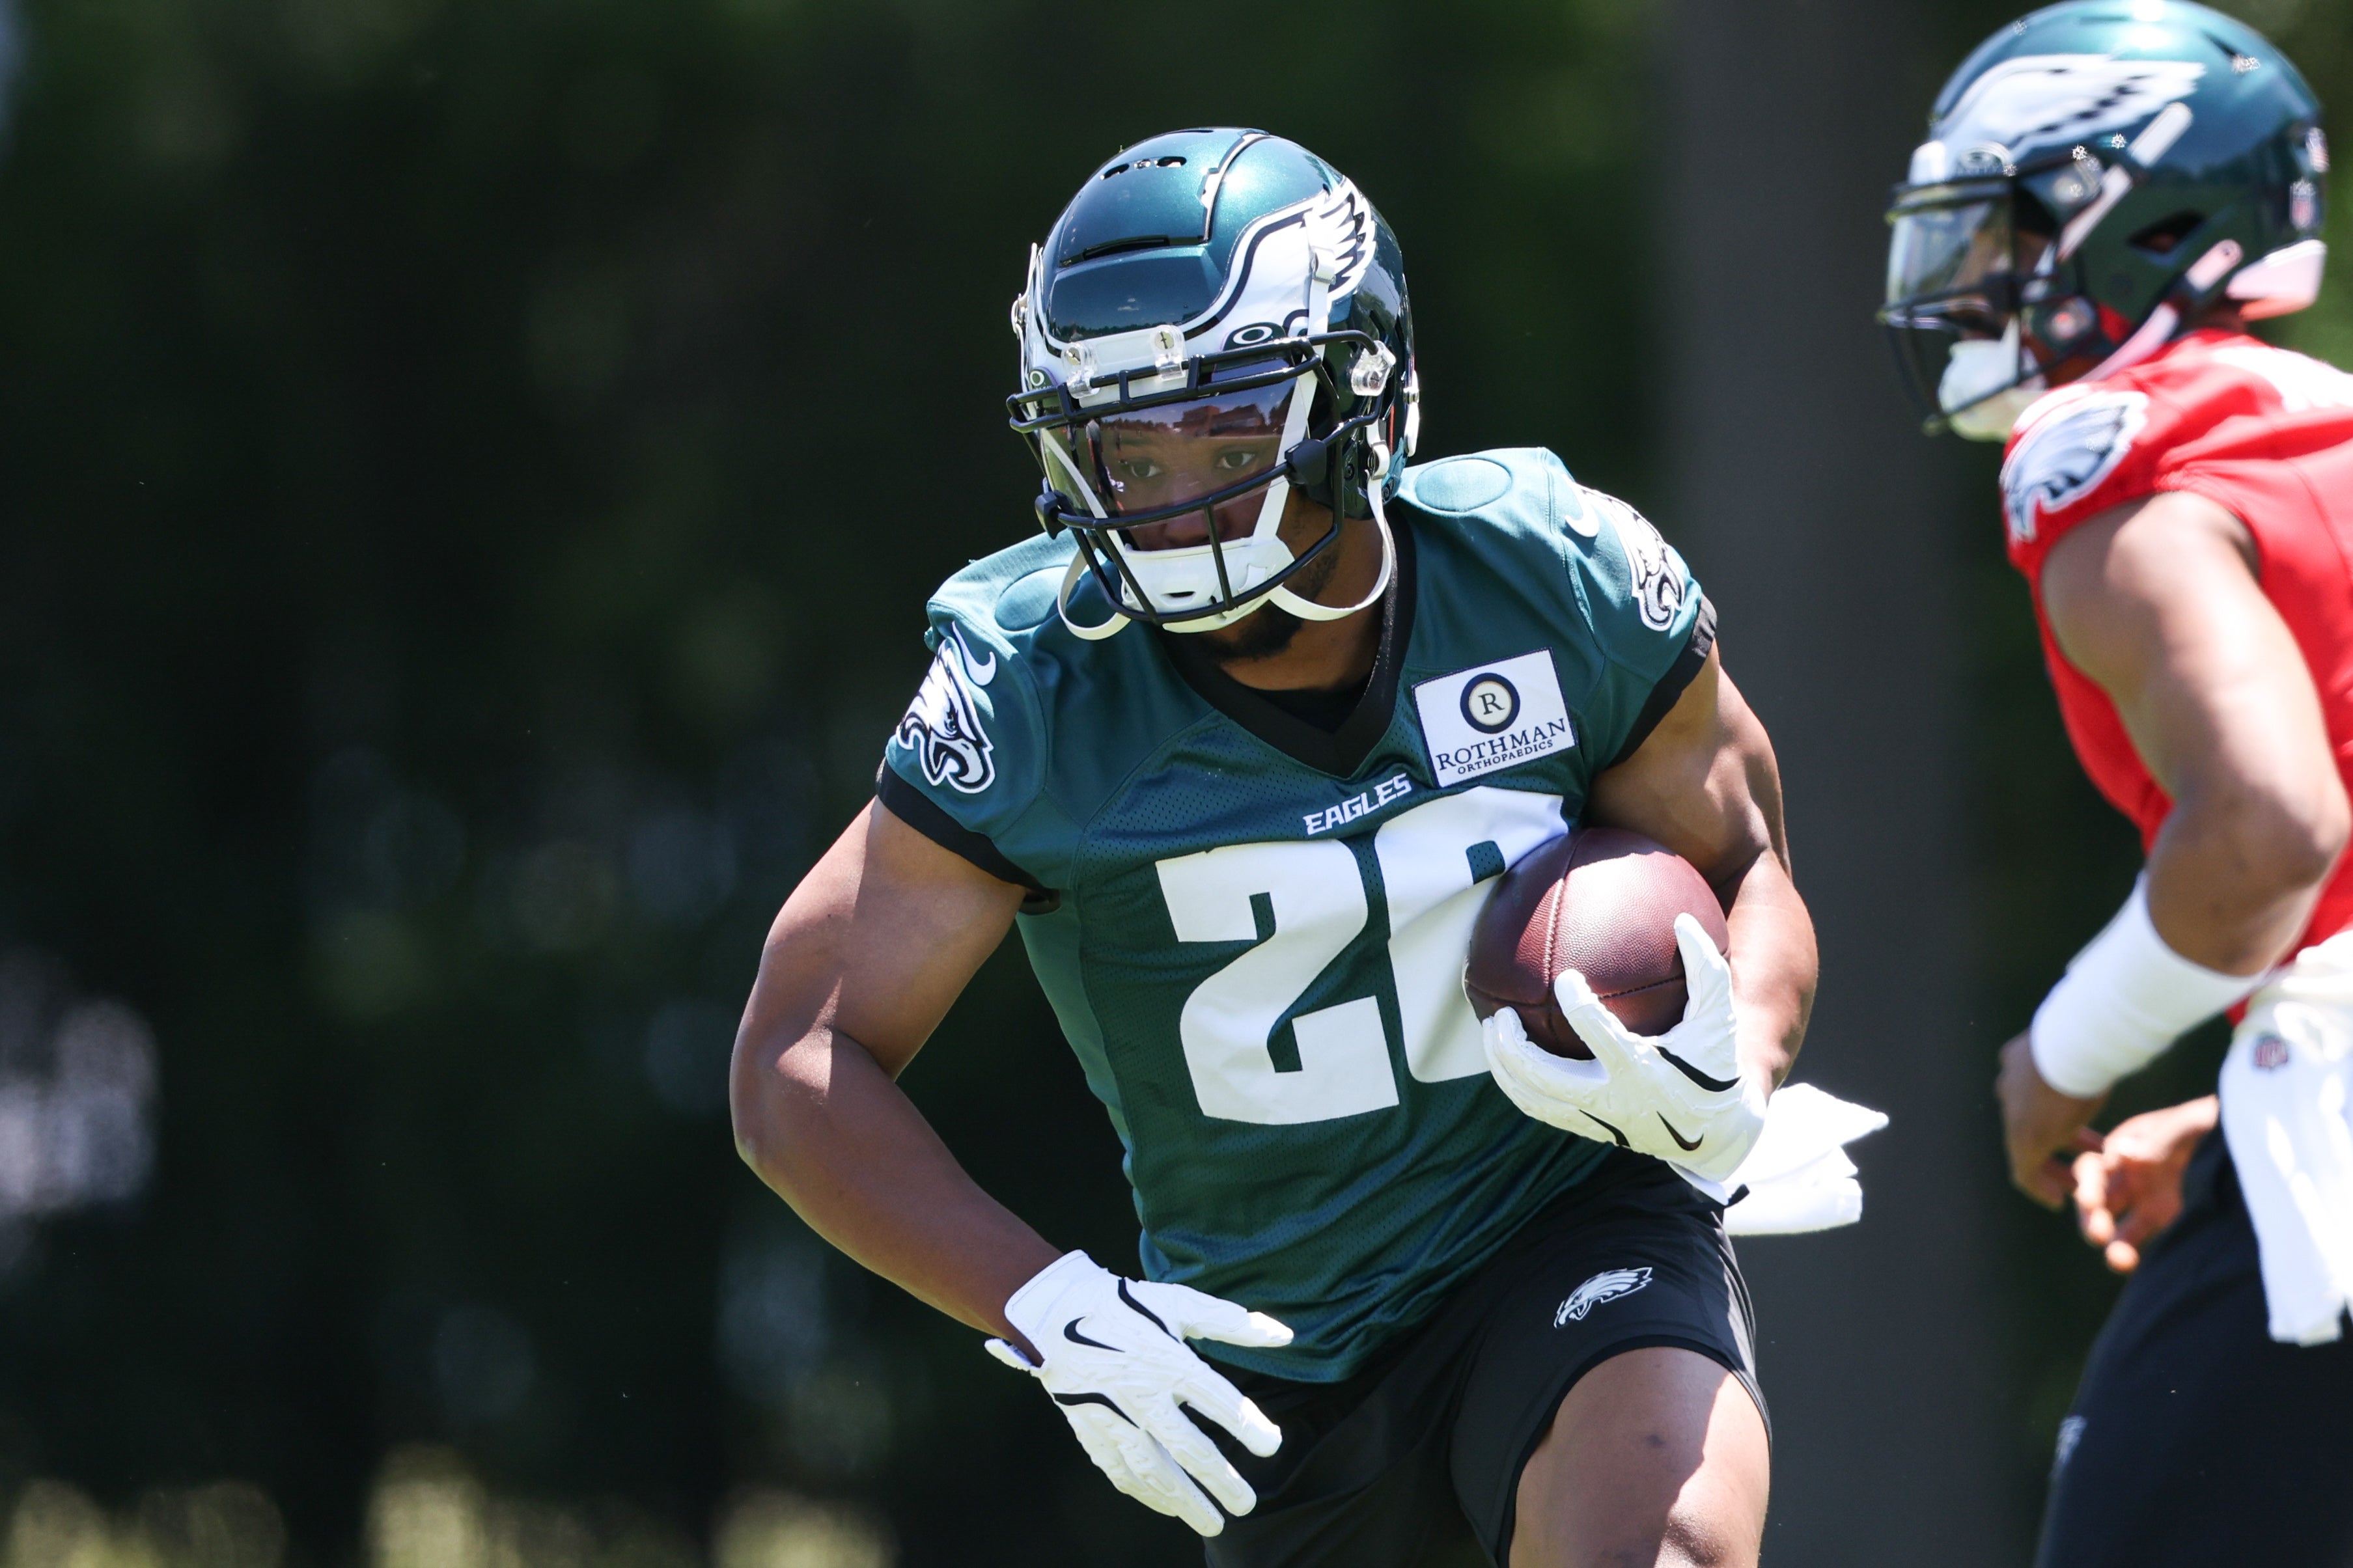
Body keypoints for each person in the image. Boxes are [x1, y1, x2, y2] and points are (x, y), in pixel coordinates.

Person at [732, 128, 1819, 1567]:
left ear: (1368, 401)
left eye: (1233, 437)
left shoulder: (1545, 576)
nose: (1175, 496)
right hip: (1270, 1354)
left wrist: (1735, 1072)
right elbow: (796, 1056)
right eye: (1128, 445)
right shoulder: (1040, 689)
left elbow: (1749, 862)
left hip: (1566, 1221)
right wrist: (1049, 1304)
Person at [1881, 3, 2353, 1562]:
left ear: (2145, 225)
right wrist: (2243, 1118)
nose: (1969, 277)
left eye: (2009, 228)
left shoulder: (2131, 482)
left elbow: (2273, 825)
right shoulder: (2316, 440)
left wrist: (2066, 1056)